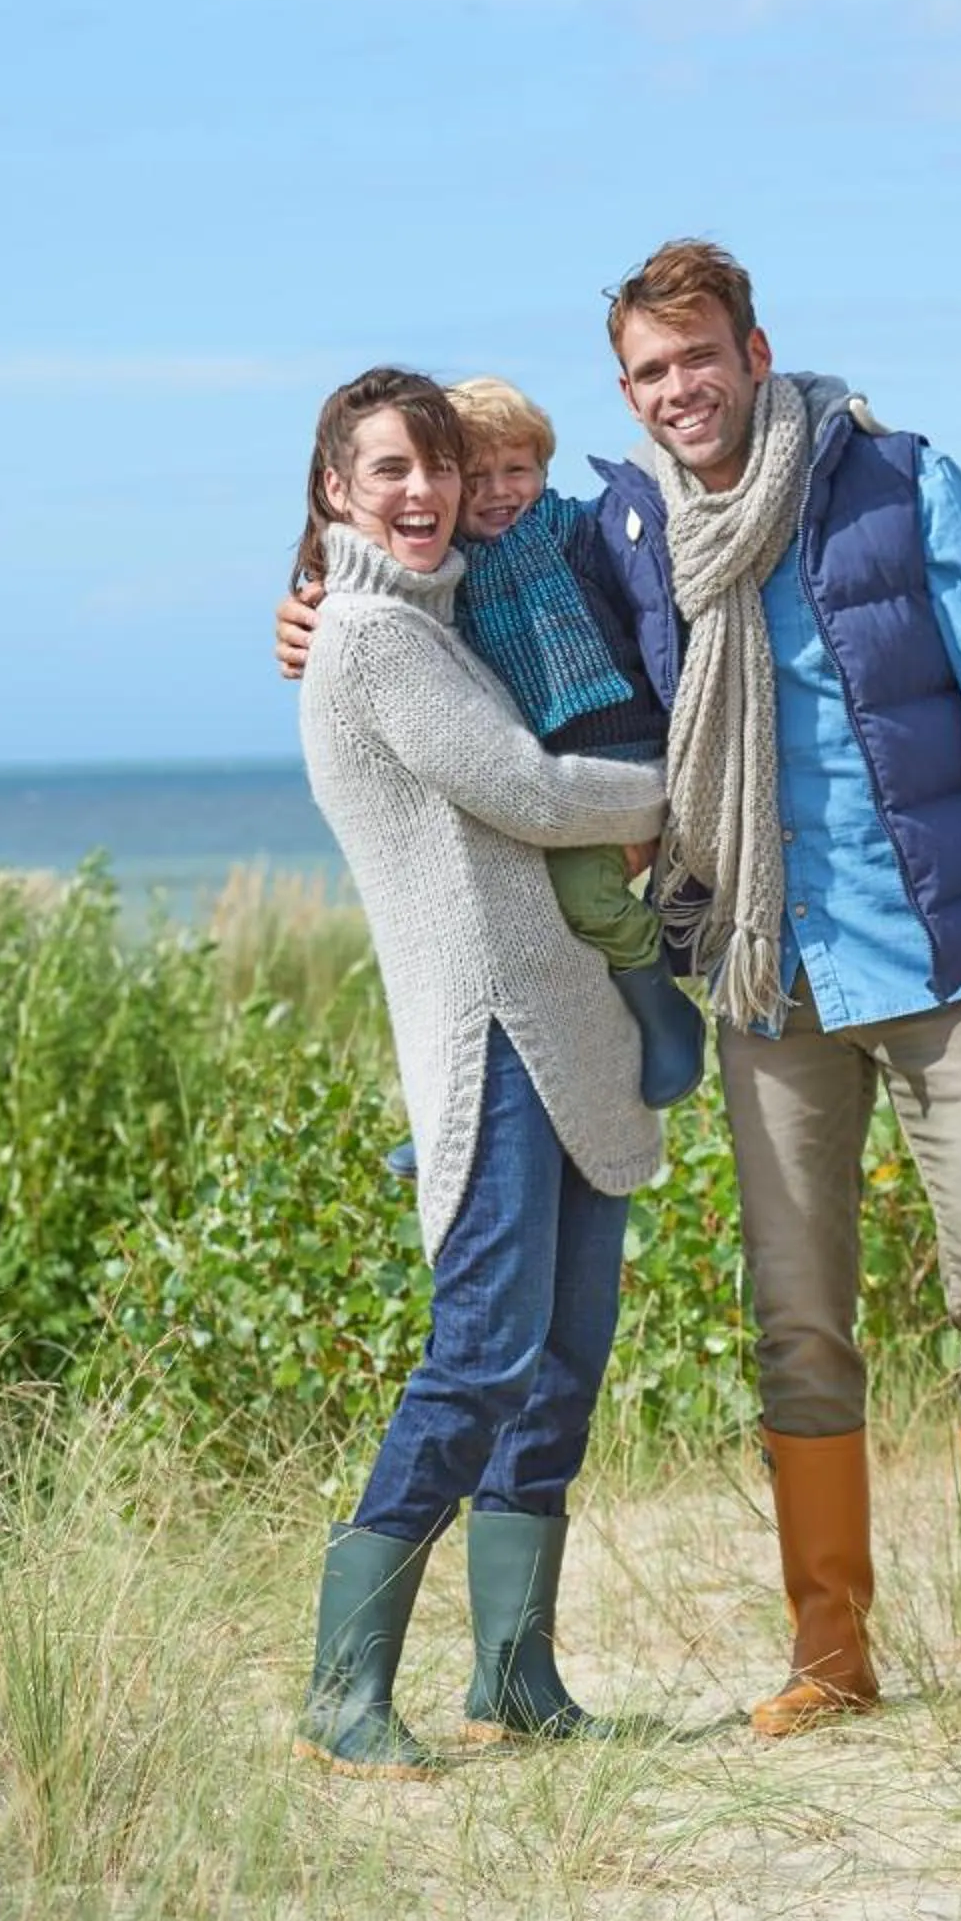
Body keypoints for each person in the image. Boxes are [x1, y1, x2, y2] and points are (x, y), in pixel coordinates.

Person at [275, 242, 961, 1736]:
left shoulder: (898, 482)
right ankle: (831, 1651)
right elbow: (476, 593)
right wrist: (308, 603)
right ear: (627, 391)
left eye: (698, 358)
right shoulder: (630, 529)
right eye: (650, 372)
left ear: (754, 352)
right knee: (798, 1324)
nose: (679, 390)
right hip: (765, 974)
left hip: (933, 953)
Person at [288, 367, 670, 1779]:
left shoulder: (449, 618)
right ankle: (344, 1689)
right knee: (484, 1354)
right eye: (390, 468)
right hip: (490, 1039)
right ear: (337, 489)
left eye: (439, 466)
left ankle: (516, 1674)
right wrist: (692, 787)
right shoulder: (373, 639)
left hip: (571, 1027)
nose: (425, 491)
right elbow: (533, 790)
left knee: (561, 1362)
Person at [372, 374, 704, 1183]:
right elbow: (375, 586)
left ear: (544, 468)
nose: (498, 492)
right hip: (536, 769)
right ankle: (462, 1109)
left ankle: (664, 1009)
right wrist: (310, 599)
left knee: (585, 897)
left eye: (515, 470)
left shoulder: (579, 534)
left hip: (621, 750)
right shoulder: (448, 573)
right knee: (483, 926)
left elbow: (660, 597)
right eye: (476, 475)